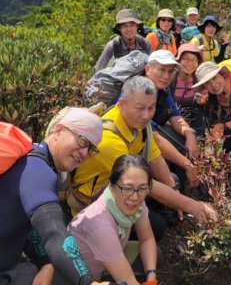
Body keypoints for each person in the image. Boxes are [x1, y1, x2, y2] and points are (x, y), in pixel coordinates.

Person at [0, 107, 120, 285]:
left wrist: (45, 263)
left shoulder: (28, 162)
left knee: (45, 272)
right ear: (58, 130)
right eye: (83, 140)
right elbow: (54, 233)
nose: (85, 153)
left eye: (91, 149)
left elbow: (24, 226)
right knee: (63, 284)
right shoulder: (38, 171)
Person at [70, 76, 215, 224]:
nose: (146, 115)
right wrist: (192, 206)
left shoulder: (140, 126)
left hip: (121, 186)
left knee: (173, 182)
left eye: (151, 108)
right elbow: (143, 183)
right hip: (92, 205)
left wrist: (174, 190)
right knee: (157, 226)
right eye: (140, 108)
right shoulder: (108, 139)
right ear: (121, 105)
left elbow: (155, 158)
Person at [69, 155, 165, 285]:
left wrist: (151, 282)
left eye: (142, 188)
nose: (134, 197)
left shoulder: (136, 203)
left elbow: (147, 238)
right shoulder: (99, 225)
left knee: (155, 256)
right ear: (112, 186)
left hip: (102, 266)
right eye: (127, 188)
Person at [144, 51, 199, 189]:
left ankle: (183, 186)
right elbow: (153, 137)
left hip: (151, 137)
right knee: (174, 177)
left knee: (184, 141)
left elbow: (175, 117)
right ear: (148, 69)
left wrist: (190, 134)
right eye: (162, 70)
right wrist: (187, 165)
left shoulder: (163, 90)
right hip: (136, 145)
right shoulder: (139, 92)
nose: (166, 76)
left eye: (170, 71)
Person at [170, 43, 205, 137]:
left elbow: (206, 99)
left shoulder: (200, 79)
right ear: (179, 60)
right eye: (186, 59)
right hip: (171, 119)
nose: (190, 63)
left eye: (194, 60)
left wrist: (203, 99)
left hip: (193, 120)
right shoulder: (170, 78)